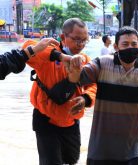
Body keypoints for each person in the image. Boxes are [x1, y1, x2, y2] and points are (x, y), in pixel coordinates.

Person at [66, 26, 138, 165]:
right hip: (100, 149)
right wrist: (74, 64)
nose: (130, 48)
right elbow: (76, 79)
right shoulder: (102, 63)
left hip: (130, 150)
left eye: (134, 44)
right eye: (125, 44)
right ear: (116, 46)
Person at [22, 18, 97, 165]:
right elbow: (27, 47)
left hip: (72, 121)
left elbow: (92, 85)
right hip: (46, 120)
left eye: (84, 40)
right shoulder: (48, 55)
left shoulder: (86, 60)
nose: (80, 45)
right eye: (76, 39)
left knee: (72, 161)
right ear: (63, 37)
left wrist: (85, 99)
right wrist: (61, 56)